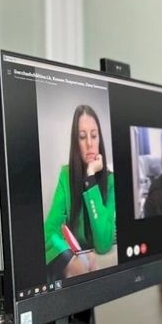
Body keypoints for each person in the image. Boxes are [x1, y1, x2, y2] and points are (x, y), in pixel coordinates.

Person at [44, 104, 115, 278]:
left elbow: (103, 244)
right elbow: (50, 230)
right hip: (76, 264)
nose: (89, 143)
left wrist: (90, 178)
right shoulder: (65, 175)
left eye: (94, 136)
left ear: (99, 140)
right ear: (76, 142)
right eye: (82, 137)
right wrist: (68, 259)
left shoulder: (111, 180)